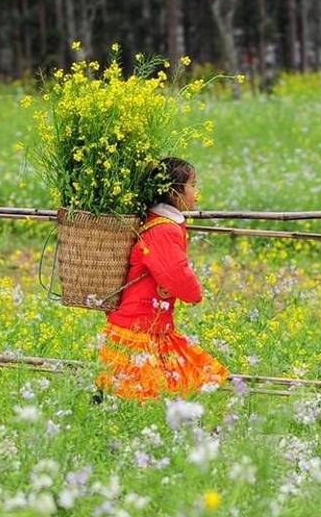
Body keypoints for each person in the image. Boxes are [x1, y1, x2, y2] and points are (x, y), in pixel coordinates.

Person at [95, 157, 230, 401]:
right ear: (174, 192)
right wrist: (194, 293)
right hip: (138, 329)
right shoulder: (163, 230)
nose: (196, 193)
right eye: (193, 185)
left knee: (148, 393)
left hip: (148, 326)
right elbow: (175, 274)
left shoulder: (155, 221)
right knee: (144, 395)